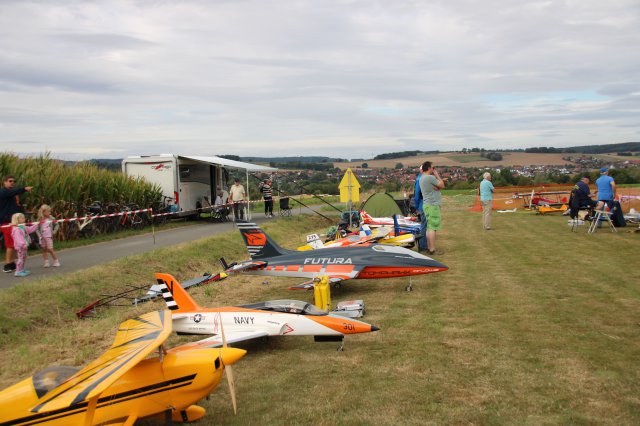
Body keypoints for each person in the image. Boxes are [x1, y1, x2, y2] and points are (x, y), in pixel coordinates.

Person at [0, 175, 33, 273]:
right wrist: (24, 189)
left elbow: (16, 206)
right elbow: (13, 192)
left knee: (15, 243)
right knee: (10, 244)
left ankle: (12, 263)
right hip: (7, 222)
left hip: (14, 222)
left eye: (14, 181)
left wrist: (25, 212)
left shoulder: (13, 195)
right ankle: (7, 265)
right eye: (10, 181)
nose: (12, 183)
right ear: (4, 182)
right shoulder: (3, 192)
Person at [419, 161, 445, 255]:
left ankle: (429, 248)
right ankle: (432, 249)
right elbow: (442, 185)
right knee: (433, 227)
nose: (433, 169)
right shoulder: (430, 177)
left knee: (429, 227)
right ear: (429, 168)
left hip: (426, 204)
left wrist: (436, 186)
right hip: (433, 205)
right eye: (432, 168)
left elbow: (435, 187)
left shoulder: (422, 178)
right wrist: (437, 175)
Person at [10, 212, 38, 277]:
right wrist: (23, 244)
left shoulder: (23, 227)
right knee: (20, 258)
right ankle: (18, 271)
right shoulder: (16, 229)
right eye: (22, 218)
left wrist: (36, 225)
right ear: (17, 220)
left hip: (24, 246)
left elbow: (30, 229)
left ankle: (22, 269)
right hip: (20, 247)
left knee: (24, 258)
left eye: (24, 218)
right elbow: (18, 239)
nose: (24, 219)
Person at [413, 167, 428, 252]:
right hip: (422, 204)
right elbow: (416, 195)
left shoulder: (420, 178)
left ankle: (424, 244)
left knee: (425, 225)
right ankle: (422, 245)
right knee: (424, 225)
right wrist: (416, 206)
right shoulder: (420, 179)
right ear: (422, 170)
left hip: (423, 204)